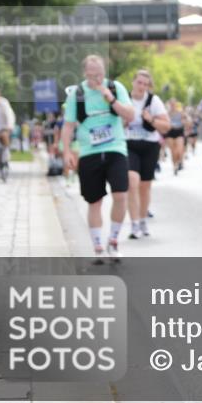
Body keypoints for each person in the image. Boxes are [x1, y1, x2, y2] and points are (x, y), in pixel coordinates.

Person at [60, 55, 135, 261]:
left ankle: (113, 240)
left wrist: (110, 98)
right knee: (95, 201)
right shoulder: (77, 94)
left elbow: (130, 115)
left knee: (121, 196)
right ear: (85, 74)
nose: (97, 79)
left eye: (100, 74)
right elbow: (68, 126)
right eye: (93, 75)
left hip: (115, 148)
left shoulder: (114, 88)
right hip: (89, 152)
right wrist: (66, 152)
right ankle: (98, 246)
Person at [124, 69, 170, 239]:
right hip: (129, 144)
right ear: (133, 82)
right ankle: (134, 223)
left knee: (145, 186)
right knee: (132, 181)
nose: (142, 86)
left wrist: (150, 119)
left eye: (145, 84)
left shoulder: (153, 101)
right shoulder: (125, 99)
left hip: (150, 146)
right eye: (139, 82)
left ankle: (142, 220)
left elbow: (166, 126)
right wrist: (123, 121)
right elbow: (114, 122)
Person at [164, 99, 186, 173]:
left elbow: (184, 122)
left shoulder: (180, 112)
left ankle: (180, 161)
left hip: (179, 132)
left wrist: (183, 122)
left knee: (179, 150)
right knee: (173, 151)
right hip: (170, 132)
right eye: (171, 104)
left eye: (174, 104)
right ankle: (175, 166)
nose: (173, 105)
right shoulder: (167, 113)